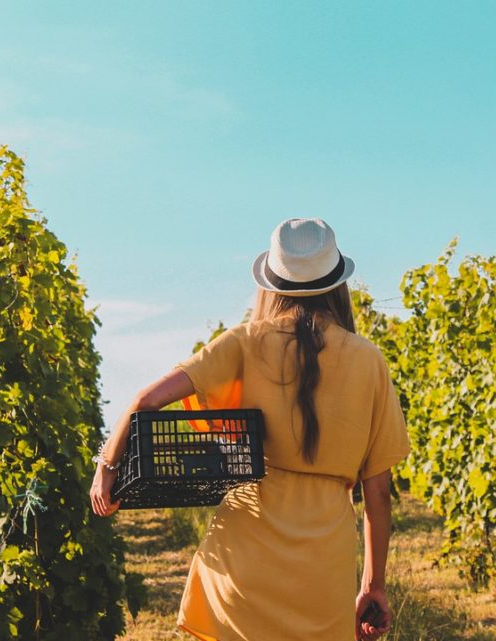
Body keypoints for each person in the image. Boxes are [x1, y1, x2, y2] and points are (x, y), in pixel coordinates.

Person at [90, 218, 411, 641]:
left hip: (243, 556)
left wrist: (107, 465)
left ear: (272, 284)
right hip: (322, 567)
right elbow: (379, 495)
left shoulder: (244, 341)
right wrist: (373, 587)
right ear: (337, 285)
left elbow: (144, 401)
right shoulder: (369, 360)